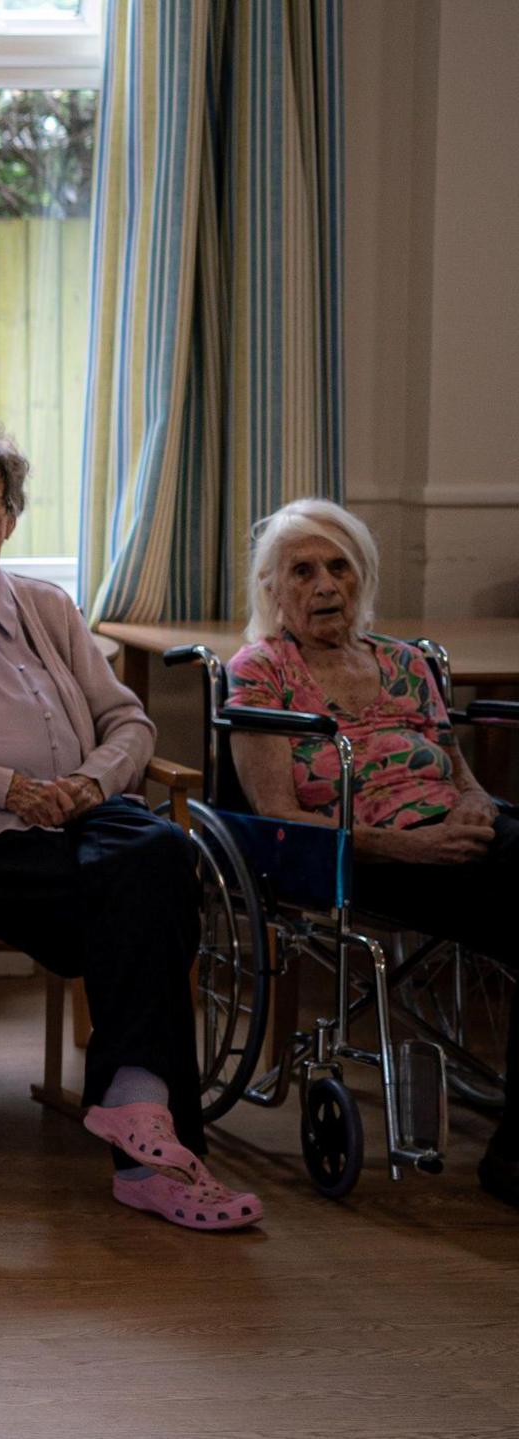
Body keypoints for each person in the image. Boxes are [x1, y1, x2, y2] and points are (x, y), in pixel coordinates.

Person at [0, 419, 262, 1231]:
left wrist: (82, 784)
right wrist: (3, 787)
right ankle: (151, 1131)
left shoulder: (47, 604)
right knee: (150, 892)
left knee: (157, 853)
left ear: (12, 515)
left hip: (78, 820)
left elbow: (131, 722)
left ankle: (140, 1121)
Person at [226, 497, 519, 1208]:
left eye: (340, 567)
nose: (326, 585)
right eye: (303, 570)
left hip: (461, 833)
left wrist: (476, 800)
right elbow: (280, 815)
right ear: (272, 589)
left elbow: (455, 767)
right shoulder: (259, 672)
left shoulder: (406, 661)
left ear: (363, 579)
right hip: (371, 860)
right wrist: (413, 846)